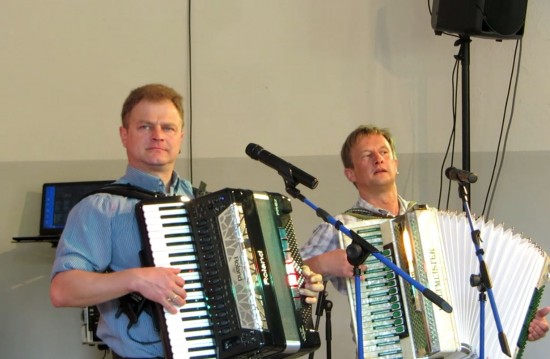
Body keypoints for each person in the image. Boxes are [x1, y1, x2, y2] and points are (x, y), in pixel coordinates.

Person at [50, 83, 324, 359]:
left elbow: (248, 283)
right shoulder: (99, 208)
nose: (158, 136)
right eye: (145, 126)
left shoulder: (211, 207)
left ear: (181, 137)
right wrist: (135, 279)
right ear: (124, 135)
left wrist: (293, 288)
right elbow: (62, 291)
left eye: (168, 128)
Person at [299, 124, 549, 348]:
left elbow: (473, 288)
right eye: (367, 155)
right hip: (389, 350)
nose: (378, 159)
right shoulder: (341, 226)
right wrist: (322, 263)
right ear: (351, 174)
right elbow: (286, 278)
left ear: (396, 165)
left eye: (384, 152)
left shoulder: (431, 221)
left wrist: (520, 322)